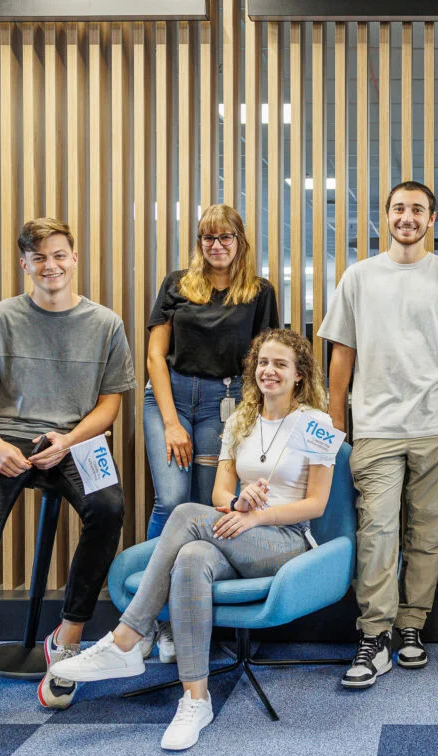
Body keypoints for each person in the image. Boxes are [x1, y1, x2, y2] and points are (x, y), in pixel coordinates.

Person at [50, 329, 335, 750]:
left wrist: (259, 517)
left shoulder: (316, 423)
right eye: (262, 362)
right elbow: (221, 493)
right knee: (192, 556)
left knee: (185, 513)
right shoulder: (241, 420)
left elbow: (316, 504)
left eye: (280, 365)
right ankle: (195, 698)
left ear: (298, 375)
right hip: (237, 531)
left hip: (286, 540)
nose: (268, 371)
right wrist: (239, 502)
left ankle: (128, 637)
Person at [0, 218, 136, 750]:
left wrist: (67, 439)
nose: (51, 266)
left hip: (76, 439)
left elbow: (110, 406)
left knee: (110, 506)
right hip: (5, 439)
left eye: (60, 255)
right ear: (25, 264)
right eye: (39, 258)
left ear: (74, 258)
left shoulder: (106, 323)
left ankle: (66, 642)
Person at [318, 180, 438, 689]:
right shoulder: (360, 277)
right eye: (398, 208)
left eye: (417, 209)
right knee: (377, 533)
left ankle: (411, 626)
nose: (406, 217)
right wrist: (336, 416)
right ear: (385, 216)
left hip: (437, 425)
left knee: (428, 532)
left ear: (431, 219)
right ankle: (375, 635)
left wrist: (425, 372)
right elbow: (341, 351)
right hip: (376, 426)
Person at [142, 204, 280, 662]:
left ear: (240, 242)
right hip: (171, 398)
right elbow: (155, 356)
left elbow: (265, 357)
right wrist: (170, 422)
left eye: (226, 238)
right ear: (199, 243)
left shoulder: (259, 291)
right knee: (170, 499)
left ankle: (193, 619)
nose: (217, 246)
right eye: (208, 238)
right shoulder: (178, 284)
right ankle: (155, 623)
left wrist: (249, 418)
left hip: (226, 405)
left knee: (205, 507)